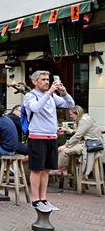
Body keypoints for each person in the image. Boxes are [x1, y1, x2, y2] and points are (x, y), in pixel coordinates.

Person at [23, 70, 75, 212]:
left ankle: (43, 199)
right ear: (35, 82)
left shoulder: (51, 96)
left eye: (48, 79)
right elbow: (36, 108)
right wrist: (49, 92)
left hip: (51, 137)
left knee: (46, 170)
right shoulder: (30, 96)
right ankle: (35, 200)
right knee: (36, 169)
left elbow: (70, 104)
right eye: (44, 79)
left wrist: (63, 93)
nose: (47, 82)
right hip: (37, 137)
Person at [57, 105, 101, 172]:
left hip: (90, 144)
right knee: (63, 149)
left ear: (77, 113)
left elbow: (77, 136)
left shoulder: (84, 121)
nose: (70, 116)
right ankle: (63, 169)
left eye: (71, 114)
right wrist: (66, 129)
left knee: (63, 150)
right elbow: (79, 131)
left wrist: (65, 145)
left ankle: (62, 170)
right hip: (89, 142)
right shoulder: (84, 118)